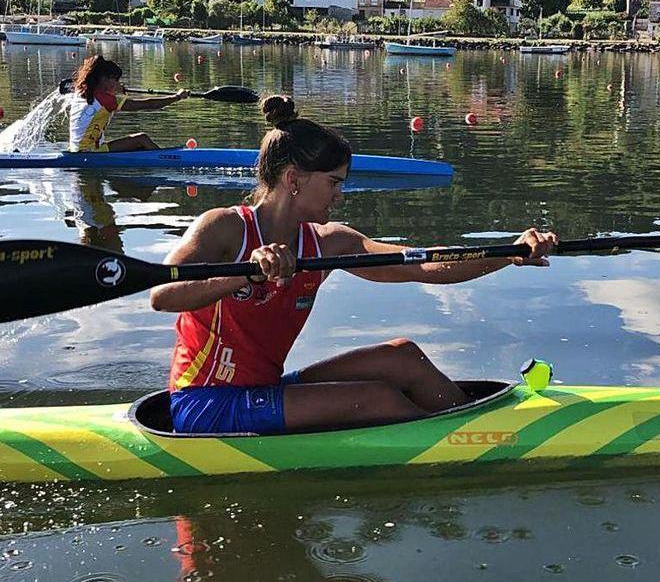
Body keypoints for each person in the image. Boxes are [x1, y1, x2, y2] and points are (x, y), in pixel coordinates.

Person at [150, 95, 558, 435]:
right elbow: (162, 295)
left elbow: (421, 266)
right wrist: (246, 273)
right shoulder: (224, 228)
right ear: (294, 180)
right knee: (377, 398)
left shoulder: (329, 243)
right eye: (334, 182)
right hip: (206, 405)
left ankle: (478, 430)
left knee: (401, 357)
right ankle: (466, 448)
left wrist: (509, 254)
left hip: (265, 390)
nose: (340, 196)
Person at [68, 56, 188, 153]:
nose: (118, 83)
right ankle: (165, 162)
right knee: (142, 139)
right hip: (90, 152)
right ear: (104, 79)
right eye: (116, 80)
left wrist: (116, 92)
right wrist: (176, 97)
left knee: (137, 146)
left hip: (76, 149)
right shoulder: (107, 100)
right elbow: (148, 104)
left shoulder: (80, 92)